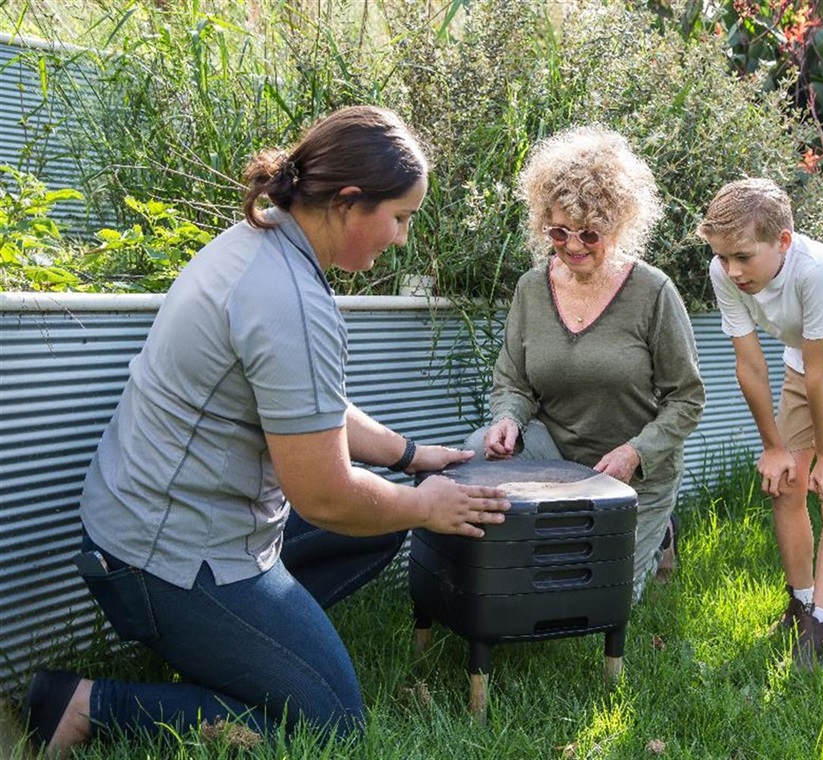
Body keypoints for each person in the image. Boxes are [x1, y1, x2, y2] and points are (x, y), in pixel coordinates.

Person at [21, 106, 511, 756]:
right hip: (162, 559)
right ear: (348, 202)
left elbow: (314, 408)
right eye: (400, 218)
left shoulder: (262, 240)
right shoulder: (288, 298)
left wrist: (413, 456)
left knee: (383, 523)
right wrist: (426, 504)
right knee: (331, 723)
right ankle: (84, 705)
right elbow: (326, 497)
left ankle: (240, 648)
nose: (401, 238)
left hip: (143, 529)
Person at [466, 126, 705, 602]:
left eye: (589, 234)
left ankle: (660, 536)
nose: (572, 245)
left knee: (597, 596)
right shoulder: (531, 290)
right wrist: (508, 418)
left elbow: (687, 397)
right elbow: (512, 379)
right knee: (476, 454)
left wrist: (636, 453)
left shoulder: (653, 292)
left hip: (634, 469)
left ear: (616, 227)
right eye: (558, 231)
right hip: (554, 450)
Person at [696, 178, 823, 669]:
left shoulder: (819, 273)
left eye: (744, 257)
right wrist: (773, 447)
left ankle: (821, 630)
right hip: (806, 359)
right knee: (786, 485)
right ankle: (800, 602)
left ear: (783, 242)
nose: (732, 270)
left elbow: (822, 377)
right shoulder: (723, 270)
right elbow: (749, 364)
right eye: (723, 257)